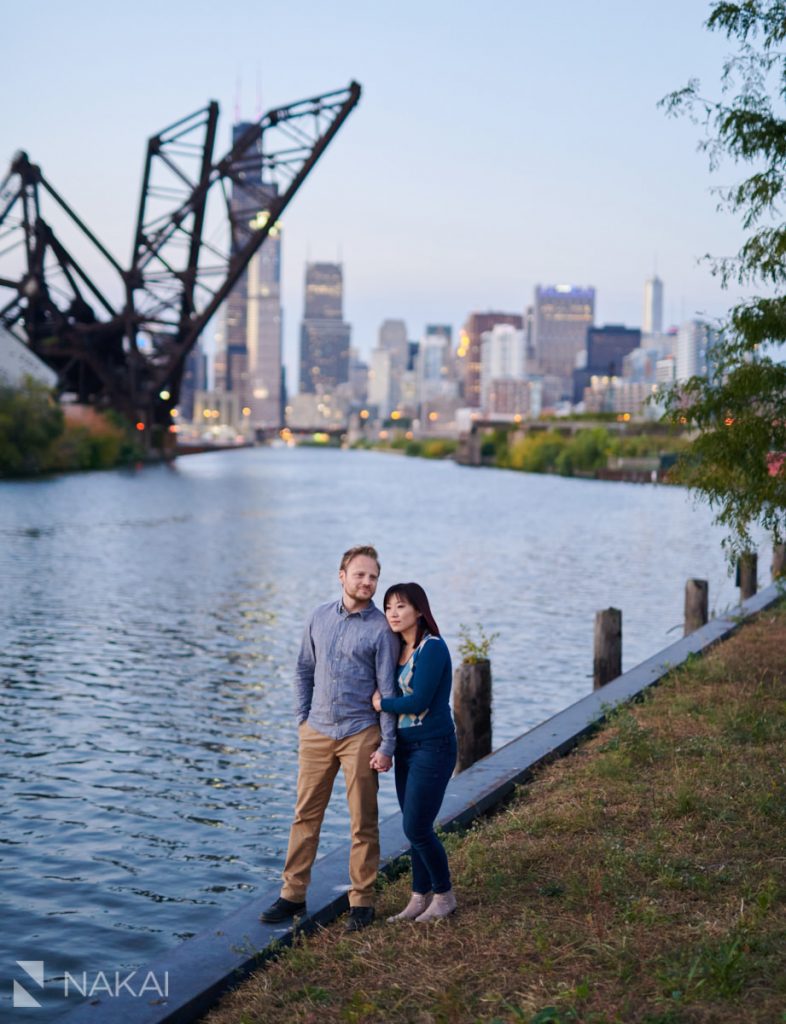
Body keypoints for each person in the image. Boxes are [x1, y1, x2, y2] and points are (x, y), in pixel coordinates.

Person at [260, 545, 399, 933]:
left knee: (363, 821)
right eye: (360, 575)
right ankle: (292, 894)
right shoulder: (318, 618)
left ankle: (362, 901)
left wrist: (387, 745)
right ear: (342, 575)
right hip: (317, 732)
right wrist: (302, 720)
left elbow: (386, 691)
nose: (367, 582)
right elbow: (303, 670)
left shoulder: (381, 630)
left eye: (373, 576)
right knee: (305, 815)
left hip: (360, 733)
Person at [372, 582, 458, 922]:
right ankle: (419, 898)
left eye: (401, 607)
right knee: (414, 827)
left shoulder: (432, 649)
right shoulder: (397, 649)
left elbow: (419, 700)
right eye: (389, 607)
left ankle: (445, 895)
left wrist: (382, 704)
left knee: (417, 827)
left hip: (433, 747)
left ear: (419, 611)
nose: (393, 613)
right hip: (407, 749)